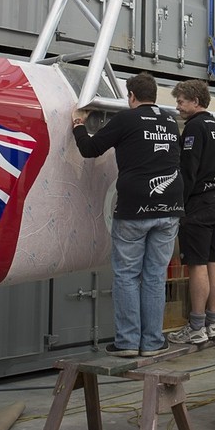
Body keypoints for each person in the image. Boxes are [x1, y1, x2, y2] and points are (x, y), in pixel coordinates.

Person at [72, 72, 183, 358]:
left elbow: (90, 149)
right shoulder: (171, 121)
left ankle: (128, 342)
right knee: (155, 276)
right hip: (170, 207)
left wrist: (78, 125)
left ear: (131, 96)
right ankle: (153, 341)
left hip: (135, 206)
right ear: (154, 95)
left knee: (127, 275)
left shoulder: (126, 119)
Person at [167, 79, 215, 346]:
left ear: (195, 101)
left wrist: (177, 204)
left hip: (200, 202)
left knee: (197, 264)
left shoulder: (194, 127)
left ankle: (195, 327)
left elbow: (188, 169)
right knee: (214, 261)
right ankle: (212, 324)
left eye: (181, 101)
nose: (178, 106)